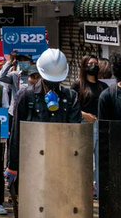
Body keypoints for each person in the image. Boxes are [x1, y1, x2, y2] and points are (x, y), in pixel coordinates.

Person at [6, 48, 81, 192]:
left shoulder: (70, 97)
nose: (52, 84)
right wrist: (13, 166)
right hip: (32, 162)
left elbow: (75, 134)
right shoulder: (26, 96)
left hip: (61, 162)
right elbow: (16, 133)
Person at [76, 55, 109, 123]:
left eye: (96, 64)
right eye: (90, 64)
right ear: (84, 66)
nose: (94, 66)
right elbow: (72, 107)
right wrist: (85, 115)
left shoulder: (104, 86)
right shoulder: (78, 85)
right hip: (83, 123)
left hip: (100, 123)